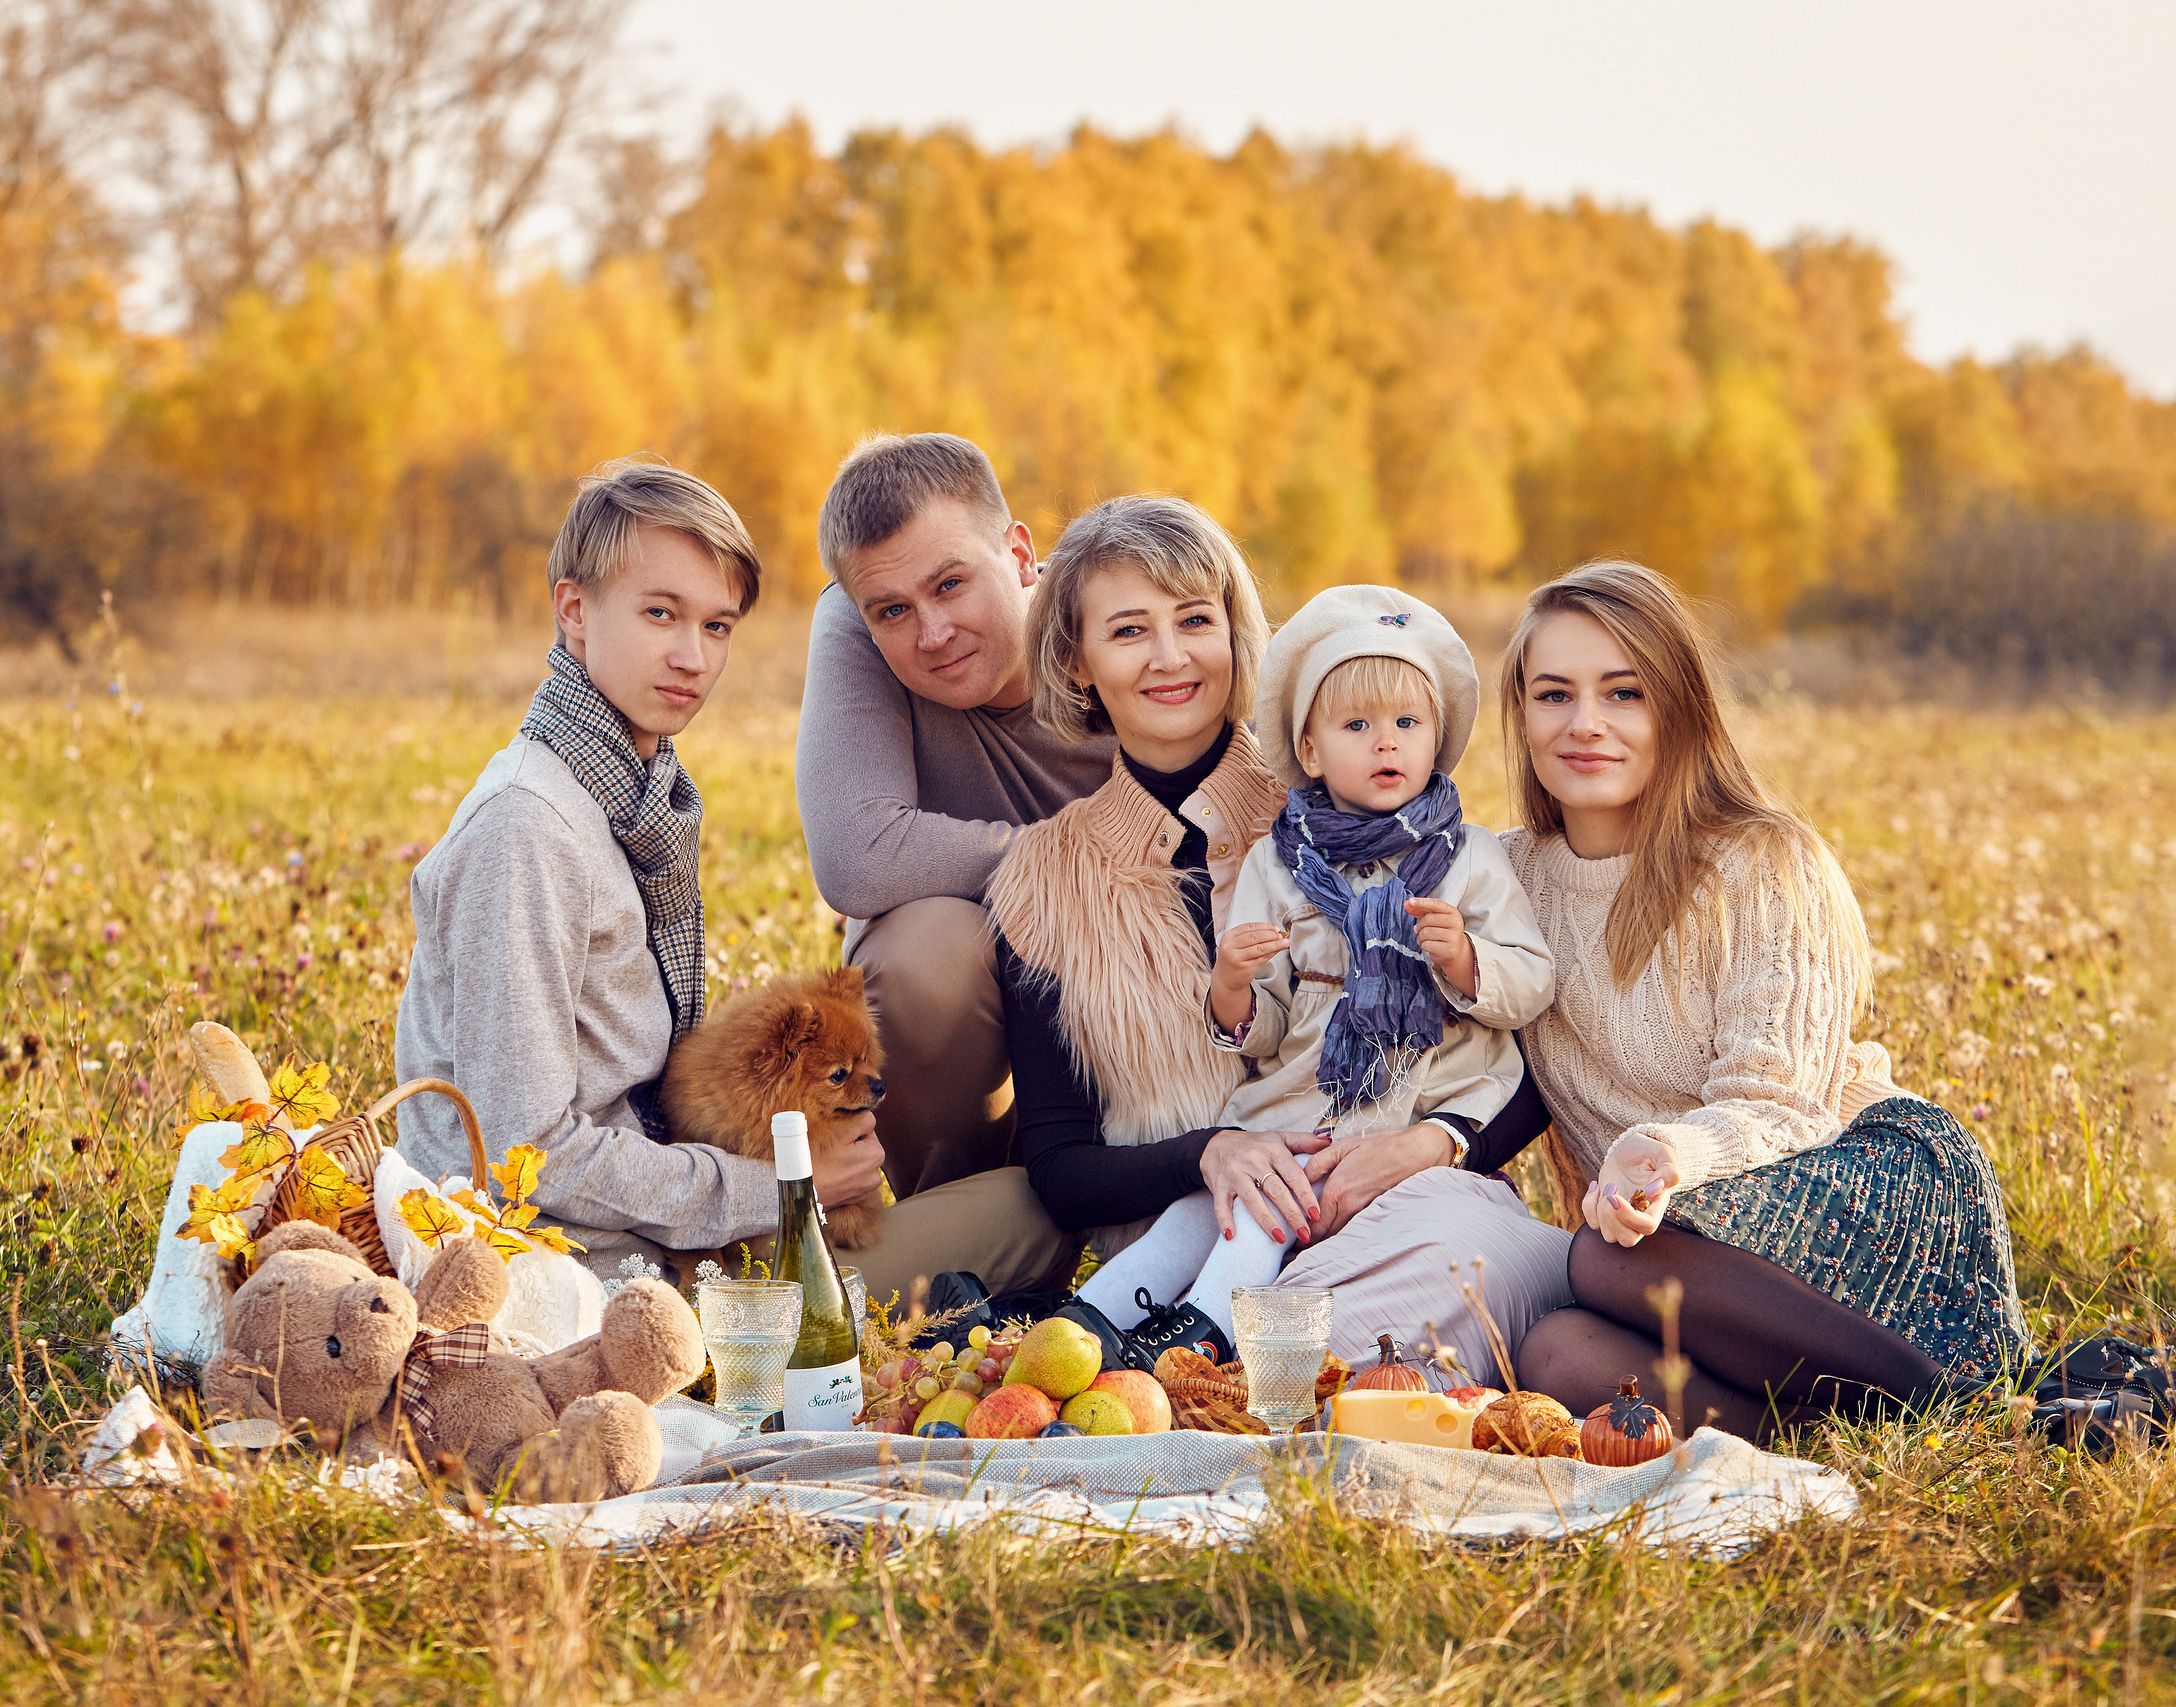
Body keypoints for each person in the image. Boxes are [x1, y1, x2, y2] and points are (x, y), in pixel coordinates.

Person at [1312, 559, 2032, 1438]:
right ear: (1522, 715)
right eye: (1553, 695)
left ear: (1677, 708)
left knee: (1602, 1265)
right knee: (1554, 1353)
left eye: (1624, 694)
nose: (1585, 724)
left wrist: (1658, 1151)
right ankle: (1831, 1430)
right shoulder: (1501, 880)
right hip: (1663, 1243)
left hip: (1855, 1188)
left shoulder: (1762, 859)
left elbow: (1782, 1101)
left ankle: (1971, 1409)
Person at [392, 459, 1070, 1305]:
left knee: (1031, 1196)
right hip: (583, 1276)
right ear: (574, 611)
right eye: (660, 614)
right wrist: (782, 1189)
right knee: (1034, 1214)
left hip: (672, 1234)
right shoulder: (528, 827)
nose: (690, 657)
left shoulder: (634, 799)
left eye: (717, 627)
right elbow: (523, 1155)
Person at [1059, 584, 1560, 1364]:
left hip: (1414, 1111)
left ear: (1437, 738)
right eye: (1357, 725)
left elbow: (1532, 983)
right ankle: (1086, 1325)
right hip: (1295, 1111)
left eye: (1406, 723)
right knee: (1206, 1207)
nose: (1385, 743)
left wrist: (1463, 959)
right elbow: (1264, 1026)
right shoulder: (1279, 863)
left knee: (1267, 1211)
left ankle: (1200, 1340)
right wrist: (1229, 984)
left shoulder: (1472, 857)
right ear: (1313, 749)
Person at [796, 433, 1118, 1200]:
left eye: (950, 584)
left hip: (1151, 965)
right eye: (893, 610)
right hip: (989, 985)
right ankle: (971, 1218)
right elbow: (857, 856)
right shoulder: (853, 614)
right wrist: (1088, 854)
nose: (930, 633)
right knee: (920, 954)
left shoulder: (1120, 608)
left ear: (1018, 553)